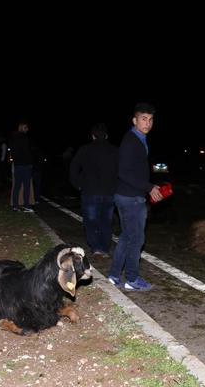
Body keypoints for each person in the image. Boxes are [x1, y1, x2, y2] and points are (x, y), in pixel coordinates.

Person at [107, 103, 163, 292]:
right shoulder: (131, 140)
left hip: (129, 195)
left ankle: (114, 275)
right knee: (137, 239)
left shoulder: (139, 139)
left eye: (150, 119)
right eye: (143, 119)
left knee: (127, 237)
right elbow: (123, 172)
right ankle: (132, 278)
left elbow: (134, 170)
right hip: (130, 197)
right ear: (134, 120)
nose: (147, 123)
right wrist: (148, 187)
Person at [69, 123, 118, 257]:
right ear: (107, 136)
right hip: (109, 192)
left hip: (90, 191)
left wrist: (78, 184)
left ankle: (96, 247)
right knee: (106, 221)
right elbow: (121, 172)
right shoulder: (115, 150)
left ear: (93, 136)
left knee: (91, 221)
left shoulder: (85, 149)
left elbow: (73, 167)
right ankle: (104, 247)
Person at [9, 120, 34, 212]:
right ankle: (26, 206)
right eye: (26, 127)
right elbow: (27, 151)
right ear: (22, 127)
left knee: (17, 186)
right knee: (26, 186)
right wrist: (30, 163)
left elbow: (12, 151)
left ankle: (15, 206)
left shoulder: (13, 137)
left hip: (17, 165)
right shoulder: (24, 137)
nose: (27, 129)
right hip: (25, 165)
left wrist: (15, 161)